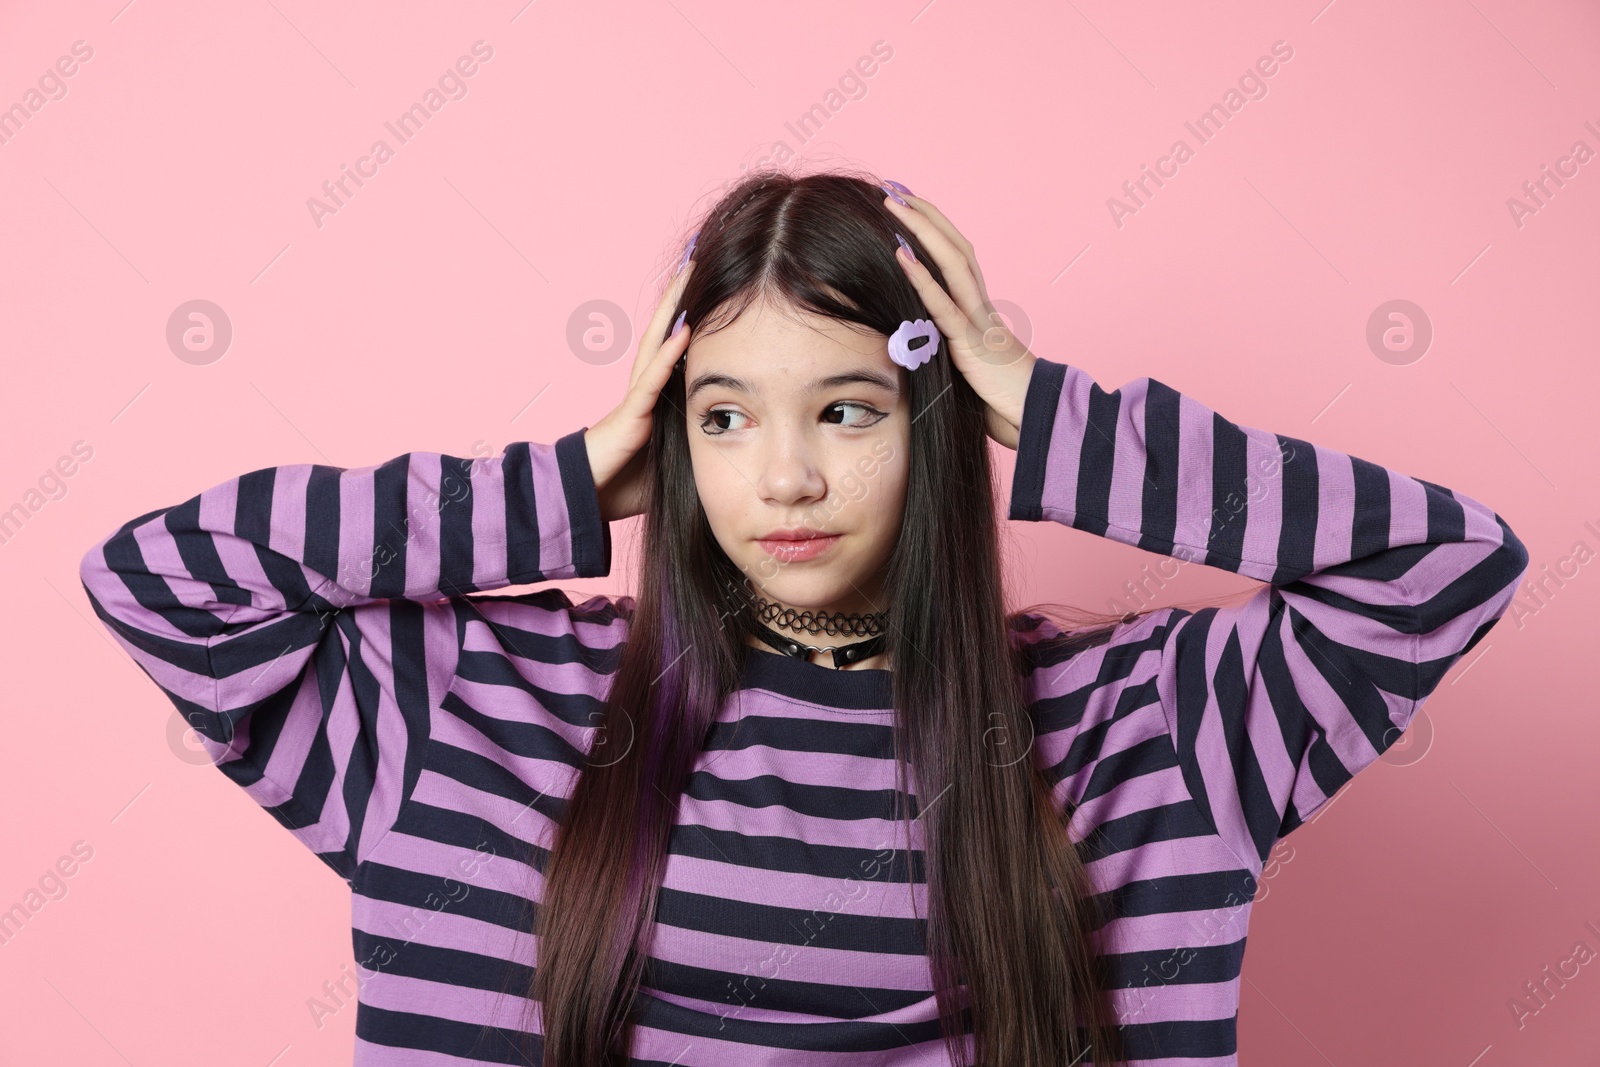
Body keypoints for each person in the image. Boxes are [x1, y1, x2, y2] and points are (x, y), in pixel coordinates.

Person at [79, 169, 1529, 1067]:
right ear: (673, 436)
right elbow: (160, 578)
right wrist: (568, 481)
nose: (782, 474)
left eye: (847, 409)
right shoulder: (477, 706)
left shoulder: (1145, 735)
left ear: (938, 422)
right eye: (725, 416)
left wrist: (1047, 410)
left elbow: (1445, 565)